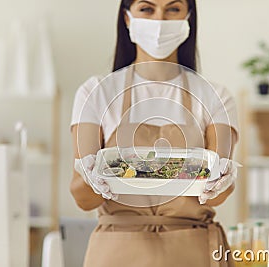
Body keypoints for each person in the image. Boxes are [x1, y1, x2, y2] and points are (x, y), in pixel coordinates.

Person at [70, 0, 240, 266]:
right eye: (146, 9)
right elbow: (82, 198)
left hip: (191, 250)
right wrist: (92, 179)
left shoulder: (215, 97)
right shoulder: (96, 93)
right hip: (117, 250)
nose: (159, 21)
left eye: (173, 9)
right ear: (127, 18)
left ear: (188, 18)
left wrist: (223, 181)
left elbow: (216, 194)